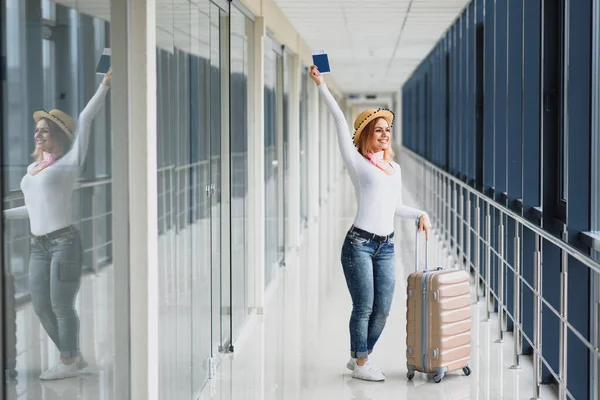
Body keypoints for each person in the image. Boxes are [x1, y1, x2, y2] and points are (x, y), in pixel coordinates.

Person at [309, 65, 430, 382]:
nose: (385, 133)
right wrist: (322, 84)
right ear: (365, 135)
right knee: (363, 306)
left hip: (386, 246)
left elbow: (396, 207)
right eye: (378, 130)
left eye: (387, 130)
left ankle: (358, 355)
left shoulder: (395, 168)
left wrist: (420, 214)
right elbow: (338, 118)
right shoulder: (357, 162)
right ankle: (362, 362)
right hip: (359, 245)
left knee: (383, 309)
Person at [3, 69, 112, 380]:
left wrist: (104, 85)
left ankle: (66, 361)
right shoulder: (33, 168)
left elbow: (86, 118)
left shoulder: (70, 164)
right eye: (37, 129)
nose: (39, 134)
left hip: (64, 243)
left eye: (46, 130)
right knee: (40, 305)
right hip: (38, 245)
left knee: (61, 306)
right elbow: (34, 207)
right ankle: (73, 357)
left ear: (61, 135)